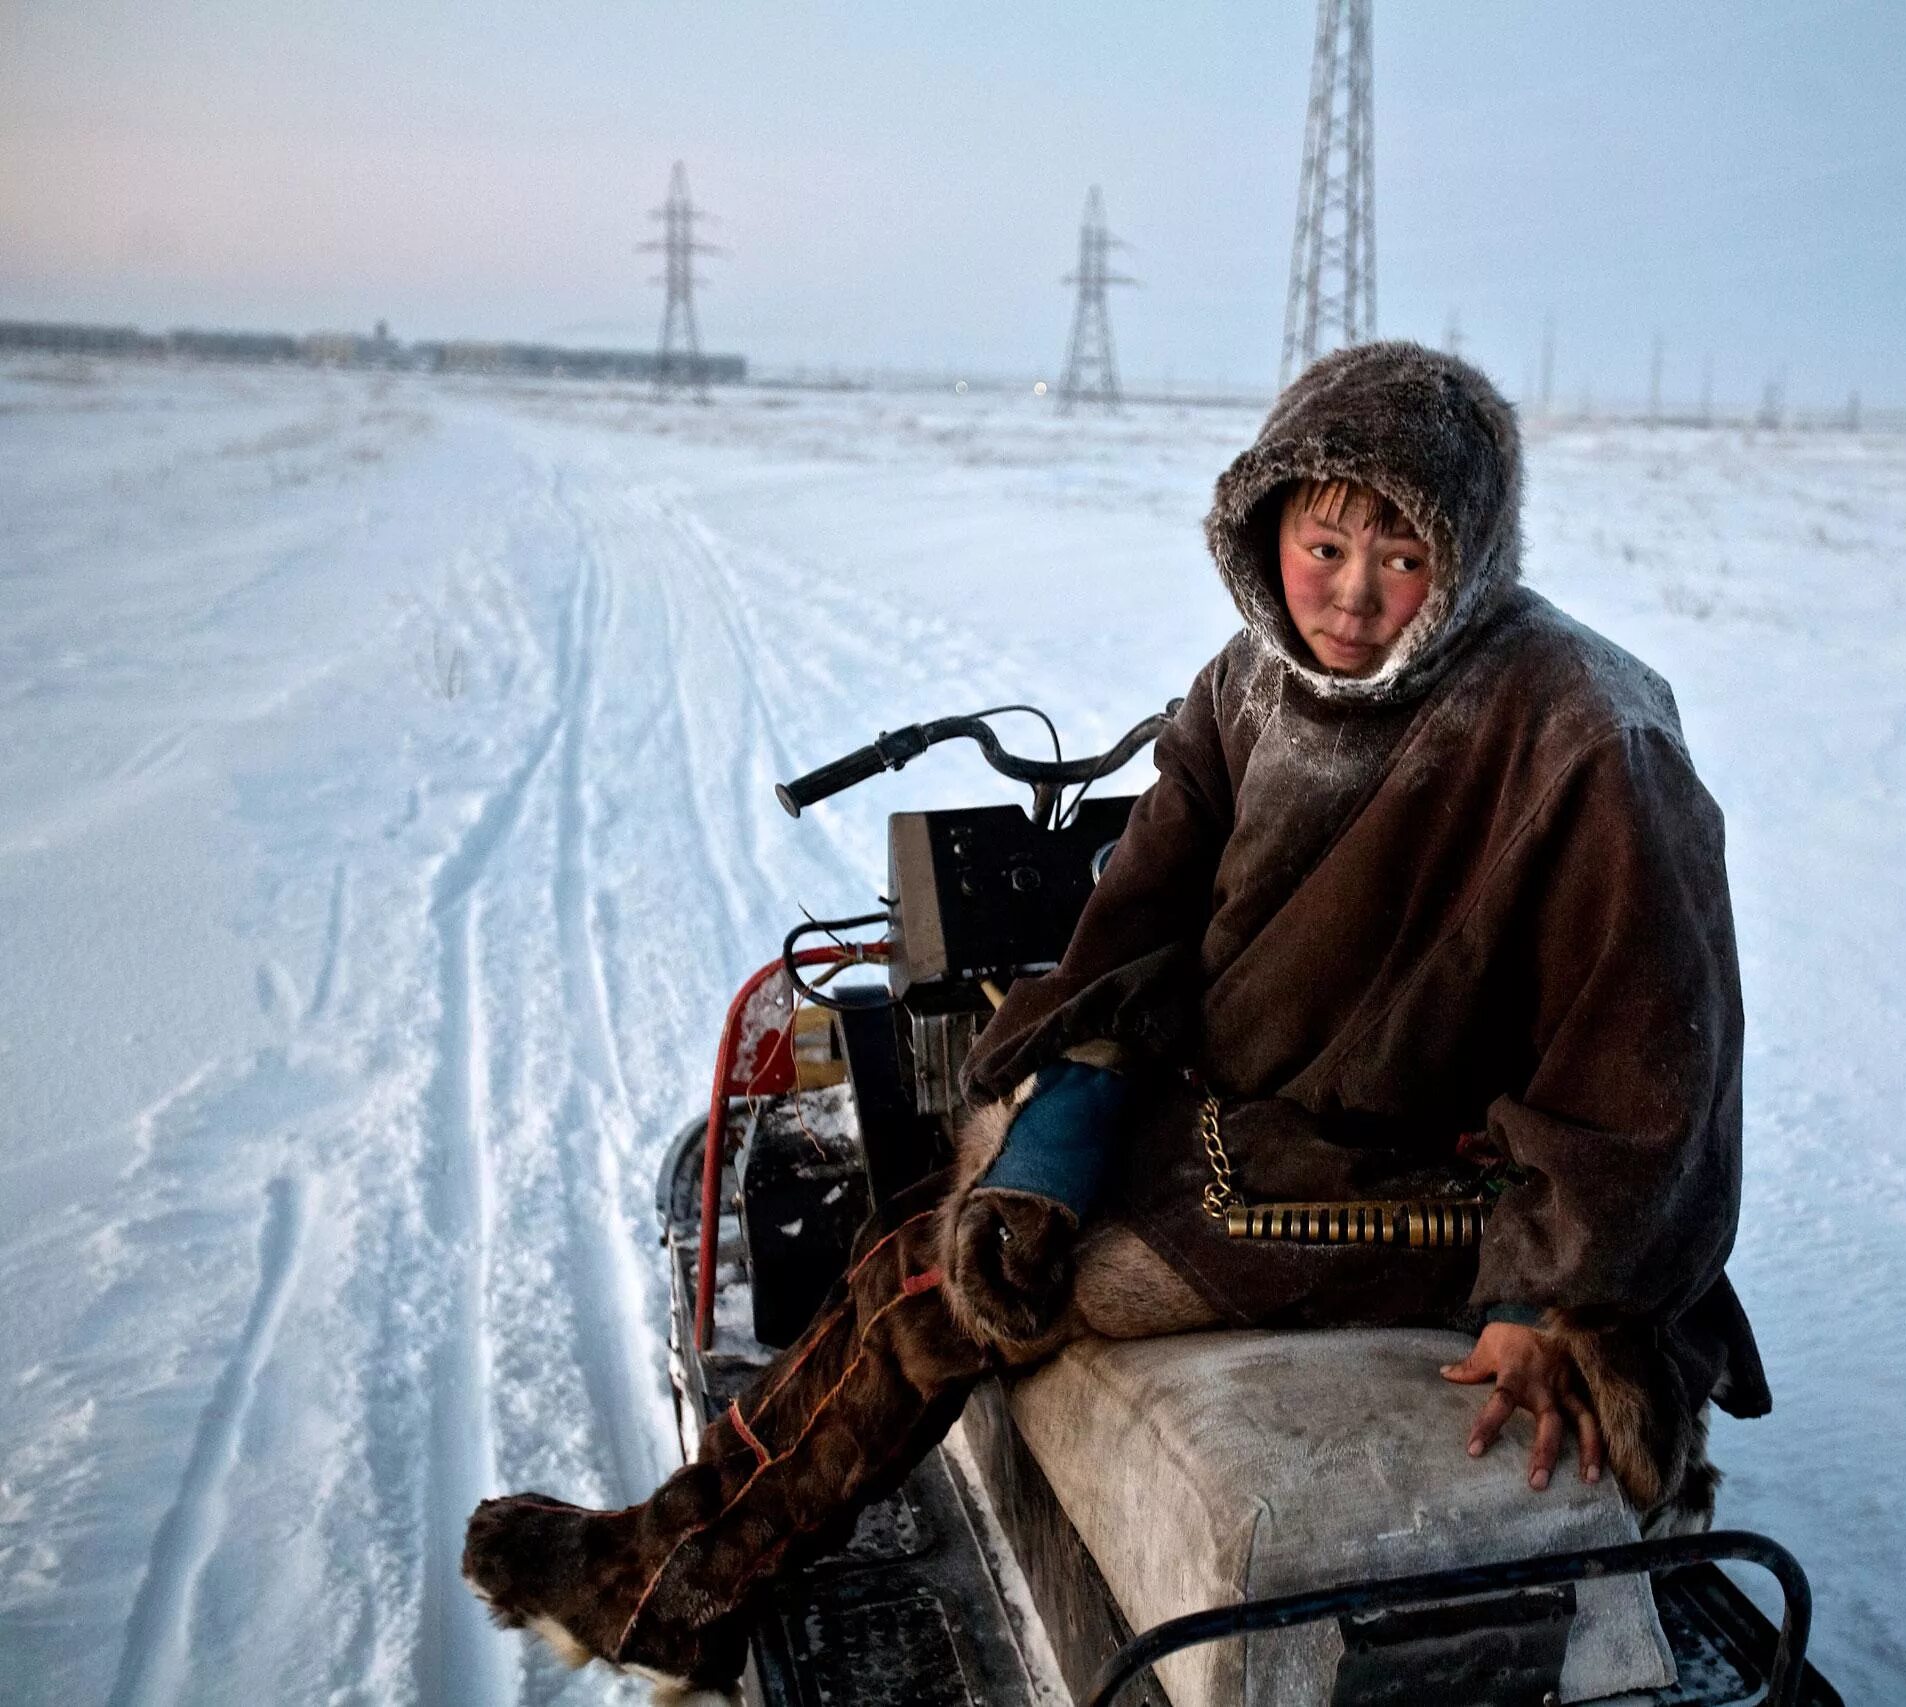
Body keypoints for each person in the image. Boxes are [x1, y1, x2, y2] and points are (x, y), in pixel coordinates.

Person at [462, 341, 1769, 1700]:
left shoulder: (1581, 730)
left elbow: (1651, 1055)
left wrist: (1549, 1295)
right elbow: (1136, 916)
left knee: (936, 1279)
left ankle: (670, 1587)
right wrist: (1051, 1133)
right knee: (963, 1217)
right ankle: (690, 1564)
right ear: (1269, 526)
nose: (1355, 597)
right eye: (1326, 546)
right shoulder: (1248, 684)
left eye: (1403, 558)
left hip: (1460, 1181)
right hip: (1276, 1127)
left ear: (1472, 557)